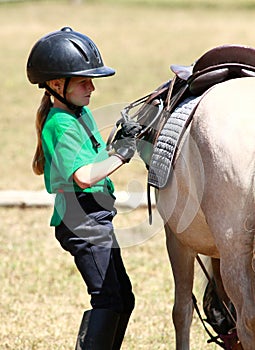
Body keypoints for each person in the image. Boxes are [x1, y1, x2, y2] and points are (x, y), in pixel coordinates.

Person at [26, 27, 140, 350]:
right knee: (108, 299)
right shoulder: (58, 125)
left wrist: (120, 139)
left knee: (123, 299)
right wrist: (122, 155)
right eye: (84, 81)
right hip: (81, 222)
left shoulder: (80, 114)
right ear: (57, 85)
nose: (92, 88)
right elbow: (85, 176)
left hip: (96, 218)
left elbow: (94, 155)